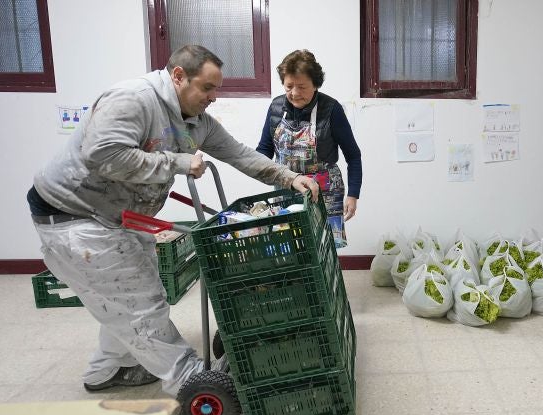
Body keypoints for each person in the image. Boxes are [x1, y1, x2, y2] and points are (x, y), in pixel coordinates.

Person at [26, 45, 319, 395]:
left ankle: (106, 370)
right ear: (178, 76)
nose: (213, 97)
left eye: (217, 89)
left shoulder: (196, 120)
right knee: (139, 302)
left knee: (128, 294)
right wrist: (178, 162)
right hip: (75, 215)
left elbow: (239, 153)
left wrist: (287, 177)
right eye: (207, 88)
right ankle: (192, 383)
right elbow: (104, 156)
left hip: (119, 216)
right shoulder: (133, 100)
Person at [257, 49, 363, 248]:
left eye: (302, 87)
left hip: (325, 193)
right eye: (289, 86)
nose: (294, 93)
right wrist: (254, 167)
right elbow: (264, 149)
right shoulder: (276, 107)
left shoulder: (331, 109)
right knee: (288, 247)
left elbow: (353, 156)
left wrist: (353, 194)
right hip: (286, 187)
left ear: (315, 84)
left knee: (323, 250)